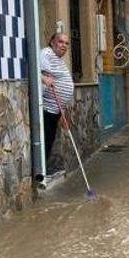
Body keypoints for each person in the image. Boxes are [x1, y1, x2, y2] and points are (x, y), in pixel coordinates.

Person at [40, 33, 75, 177]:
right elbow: (38, 72)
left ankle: (44, 168)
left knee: (50, 139)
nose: (64, 45)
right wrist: (43, 78)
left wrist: (63, 113)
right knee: (46, 139)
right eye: (60, 42)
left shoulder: (59, 59)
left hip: (56, 109)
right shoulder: (47, 53)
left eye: (66, 43)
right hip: (48, 108)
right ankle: (41, 171)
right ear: (52, 42)